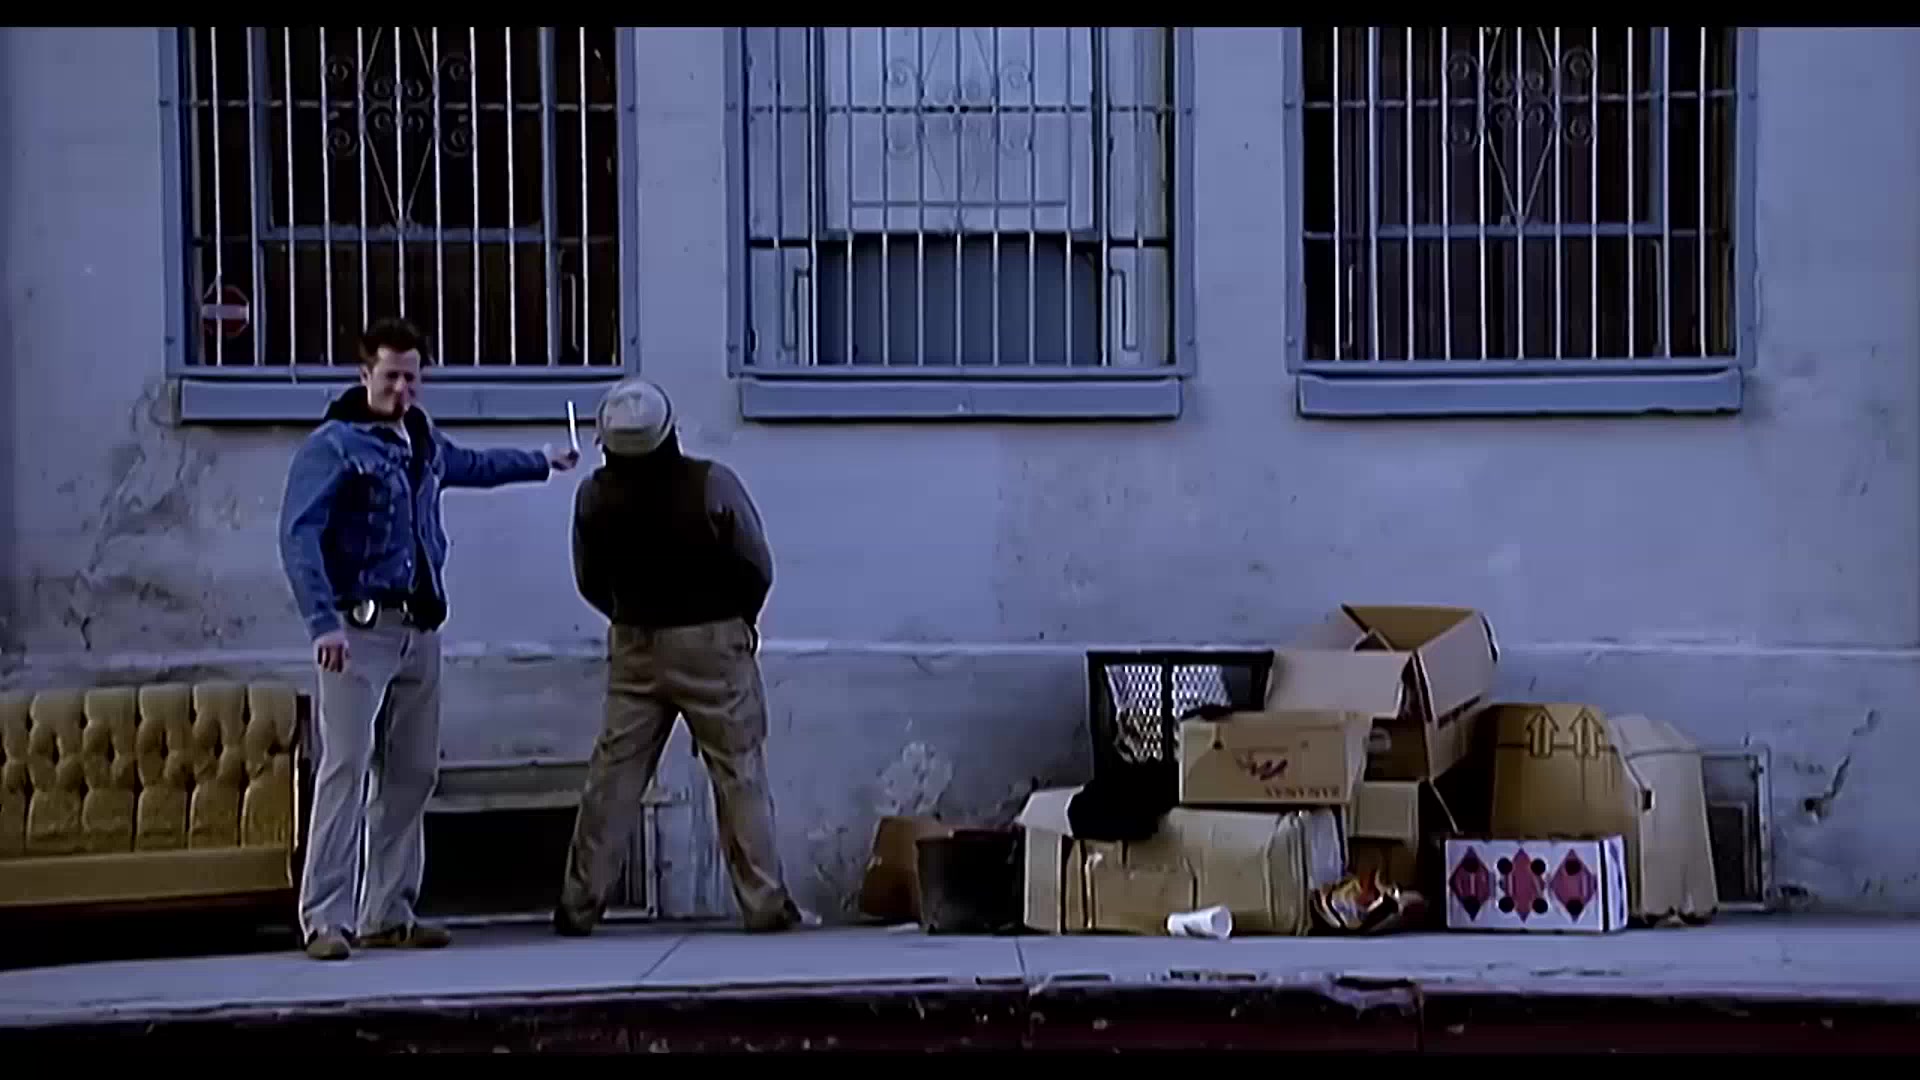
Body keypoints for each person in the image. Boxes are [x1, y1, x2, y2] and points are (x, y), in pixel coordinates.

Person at [278, 317, 579, 961]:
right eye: (390, 376)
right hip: (357, 630)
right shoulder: (334, 446)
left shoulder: (422, 439)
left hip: (419, 628)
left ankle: (388, 911)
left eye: (412, 378)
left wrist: (542, 461)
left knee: (413, 772)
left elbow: (472, 465)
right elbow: (299, 536)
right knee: (345, 769)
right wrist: (322, 622)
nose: (402, 389)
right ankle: (324, 918)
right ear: (365, 374)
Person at [555, 376, 809, 936]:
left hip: (635, 642)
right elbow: (756, 562)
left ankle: (579, 903)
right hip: (713, 640)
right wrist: (737, 620)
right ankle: (764, 901)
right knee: (738, 773)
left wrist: (627, 613)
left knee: (614, 778)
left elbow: (588, 578)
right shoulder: (711, 483)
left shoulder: (593, 496)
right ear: (669, 431)